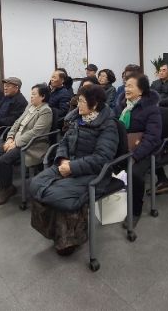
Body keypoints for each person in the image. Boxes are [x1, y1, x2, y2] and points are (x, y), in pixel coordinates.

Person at [29, 84, 118, 255]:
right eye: (79, 100)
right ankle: (54, 232)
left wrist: (72, 167)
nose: (78, 104)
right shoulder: (78, 119)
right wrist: (63, 159)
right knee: (36, 184)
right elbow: (63, 142)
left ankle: (70, 239)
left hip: (94, 173)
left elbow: (102, 159)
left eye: (82, 101)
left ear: (94, 104)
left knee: (59, 194)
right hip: (68, 163)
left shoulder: (108, 125)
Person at [0, 83, 53, 205]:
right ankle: (3, 185)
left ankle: (5, 189)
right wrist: (10, 138)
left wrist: (16, 143)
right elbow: (17, 122)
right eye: (31, 94)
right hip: (16, 141)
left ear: (43, 96)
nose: (31, 96)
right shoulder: (30, 106)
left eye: (34, 94)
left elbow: (35, 133)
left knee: (4, 160)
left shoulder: (46, 111)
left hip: (31, 145)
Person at [114, 73, 162, 228]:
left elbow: (152, 138)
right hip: (124, 147)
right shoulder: (123, 105)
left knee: (134, 173)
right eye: (126, 85)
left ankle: (135, 210)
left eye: (130, 86)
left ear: (141, 90)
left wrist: (135, 156)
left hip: (144, 150)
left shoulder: (151, 109)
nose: (126, 89)